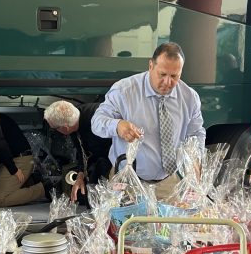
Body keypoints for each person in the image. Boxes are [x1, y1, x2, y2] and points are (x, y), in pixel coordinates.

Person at [91, 42, 205, 200]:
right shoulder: (124, 91)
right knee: (128, 225)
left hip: (169, 182)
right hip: (128, 181)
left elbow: (196, 133)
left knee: (169, 225)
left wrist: (195, 161)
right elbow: (96, 122)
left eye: (174, 76)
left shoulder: (189, 97)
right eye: (162, 74)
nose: (167, 82)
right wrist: (117, 125)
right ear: (151, 66)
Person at [44, 100, 112, 203]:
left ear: (65, 127)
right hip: (101, 158)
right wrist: (80, 175)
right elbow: (82, 152)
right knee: (89, 197)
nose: (55, 131)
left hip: (119, 159)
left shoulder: (98, 117)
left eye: (54, 128)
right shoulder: (74, 121)